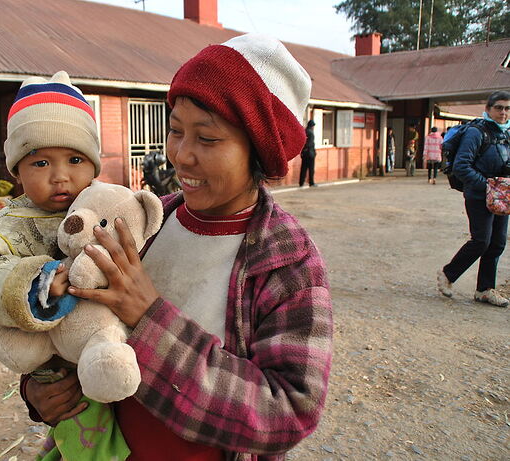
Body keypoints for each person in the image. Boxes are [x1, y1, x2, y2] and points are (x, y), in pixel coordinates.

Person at [22, 34, 333, 461]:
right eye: (175, 130)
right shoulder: (141, 220)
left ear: (257, 151)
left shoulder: (287, 262)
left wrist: (149, 318)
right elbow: (74, 322)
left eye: (207, 139)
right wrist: (41, 385)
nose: (181, 155)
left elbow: (290, 412)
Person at [0, 70, 100, 360]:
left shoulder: (105, 206)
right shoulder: (11, 224)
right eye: (40, 162)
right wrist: (37, 284)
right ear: (17, 172)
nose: (60, 176)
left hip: (105, 340)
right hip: (51, 360)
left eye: (75, 160)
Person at [437, 90, 510, 308]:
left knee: (497, 242)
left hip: (501, 196)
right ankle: (448, 274)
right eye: (499, 108)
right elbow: (461, 166)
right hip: (479, 195)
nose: (503, 113)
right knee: (481, 241)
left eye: (507, 108)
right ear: (488, 109)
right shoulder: (477, 133)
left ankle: (484, 290)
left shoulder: (506, 134)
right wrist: (488, 186)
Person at [298, 120, 317, 187]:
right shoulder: (311, 133)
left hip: (304, 153)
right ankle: (311, 182)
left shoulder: (304, 131)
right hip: (310, 153)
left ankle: (301, 182)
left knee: (303, 168)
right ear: (312, 126)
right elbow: (310, 144)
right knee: (311, 169)